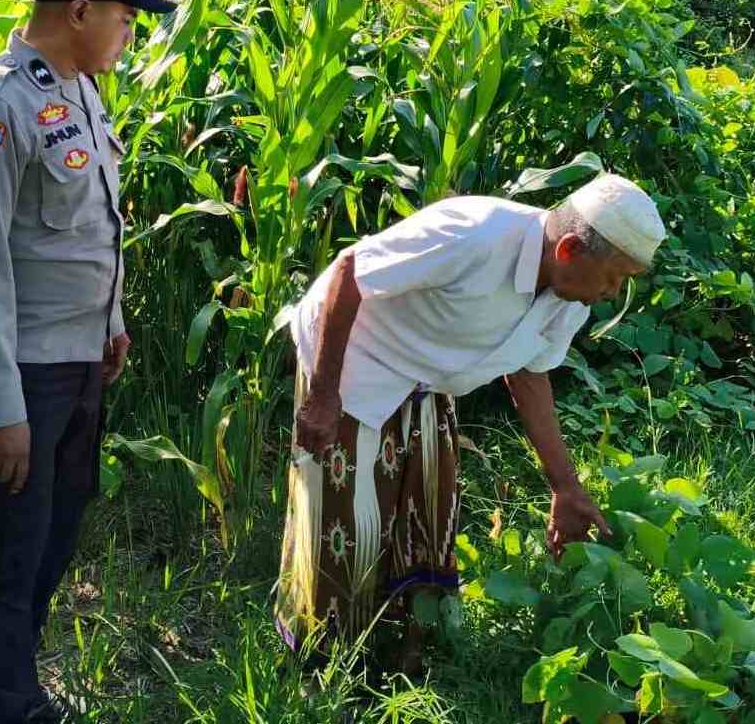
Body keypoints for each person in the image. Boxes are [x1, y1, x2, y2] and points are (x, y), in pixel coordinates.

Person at [275, 174, 666, 669]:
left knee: (427, 511)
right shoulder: (475, 237)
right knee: (348, 522)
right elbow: (351, 272)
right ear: (569, 250)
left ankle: (403, 650)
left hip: (428, 379)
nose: (616, 292)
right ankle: (321, 663)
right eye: (617, 277)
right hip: (355, 359)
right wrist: (324, 396)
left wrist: (564, 487)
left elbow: (530, 376)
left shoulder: (569, 298)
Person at [0, 0, 176, 723]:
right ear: (79, 12)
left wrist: (109, 323)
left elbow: (86, 226)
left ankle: (3, 680)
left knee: (47, 542)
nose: (130, 33)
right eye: (124, 17)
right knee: (4, 553)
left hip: (78, 367)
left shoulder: (77, 91)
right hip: (25, 374)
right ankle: (3, 703)